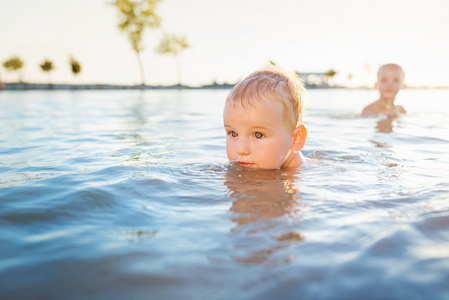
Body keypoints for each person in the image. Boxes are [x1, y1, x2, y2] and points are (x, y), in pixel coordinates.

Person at [223, 65, 307, 169]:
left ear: (296, 139)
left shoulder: (303, 178)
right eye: (233, 133)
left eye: (258, 135)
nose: (240, 149)